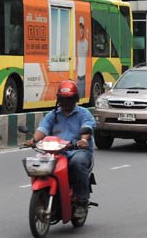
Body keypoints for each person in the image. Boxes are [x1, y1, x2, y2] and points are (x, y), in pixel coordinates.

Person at [25, 80, 96, 218]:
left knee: (77, 162)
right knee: (39, 164)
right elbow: (43, 129)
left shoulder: (84, 113)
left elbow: (87, 127)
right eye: (63, 99)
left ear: (75, 99)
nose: (66, 103)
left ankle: (81, 201)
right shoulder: (53, 115)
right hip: (56, 153)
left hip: (78, 151)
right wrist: (33, 140)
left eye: (69, 99)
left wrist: (83, 140)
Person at [76, 17, 89, 98]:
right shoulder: (78, 43)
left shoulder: (85, 42)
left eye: (82, 28)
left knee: (81, 97)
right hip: (78, 75)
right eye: (79, 28)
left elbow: (83, 54)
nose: (81, 30)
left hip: (83, 75)